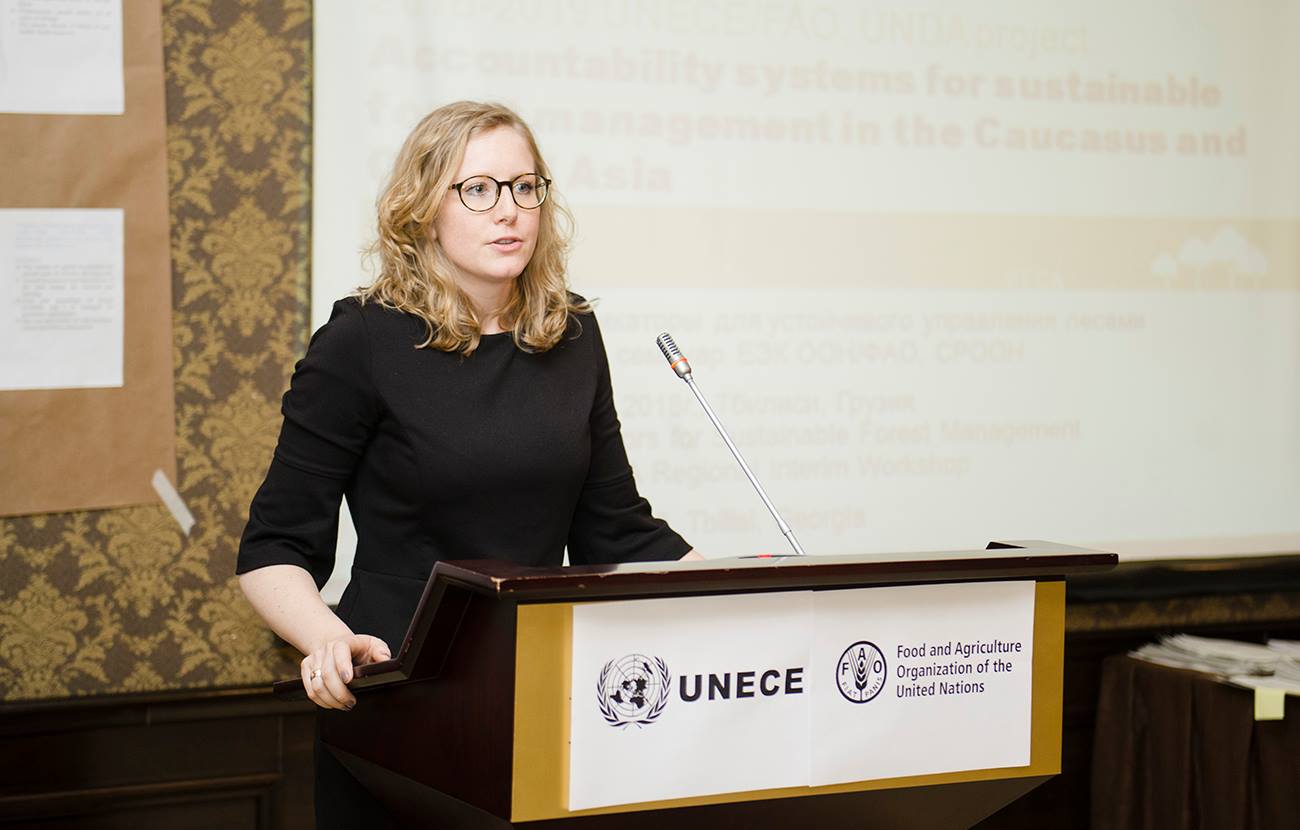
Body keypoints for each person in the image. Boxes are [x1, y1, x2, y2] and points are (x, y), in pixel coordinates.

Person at [235, 100, 697, 826]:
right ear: (423, 211)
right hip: (397, 696)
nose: (508, 210)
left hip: (542, 692)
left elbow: (616, 530)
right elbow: (272, 549)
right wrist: (327, 640)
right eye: (477, 189)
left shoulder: (571, 333)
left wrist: (760, 592)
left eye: (525, 186)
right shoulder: (363, 341)